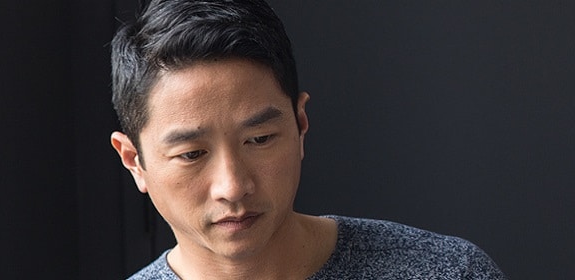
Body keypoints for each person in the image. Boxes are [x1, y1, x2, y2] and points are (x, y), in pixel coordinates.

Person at [108, 0, 505, 279]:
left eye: (260, 138)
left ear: (300, 125)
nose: (232, 186)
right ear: (134, 160)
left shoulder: (450, 272)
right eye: (192, 153)